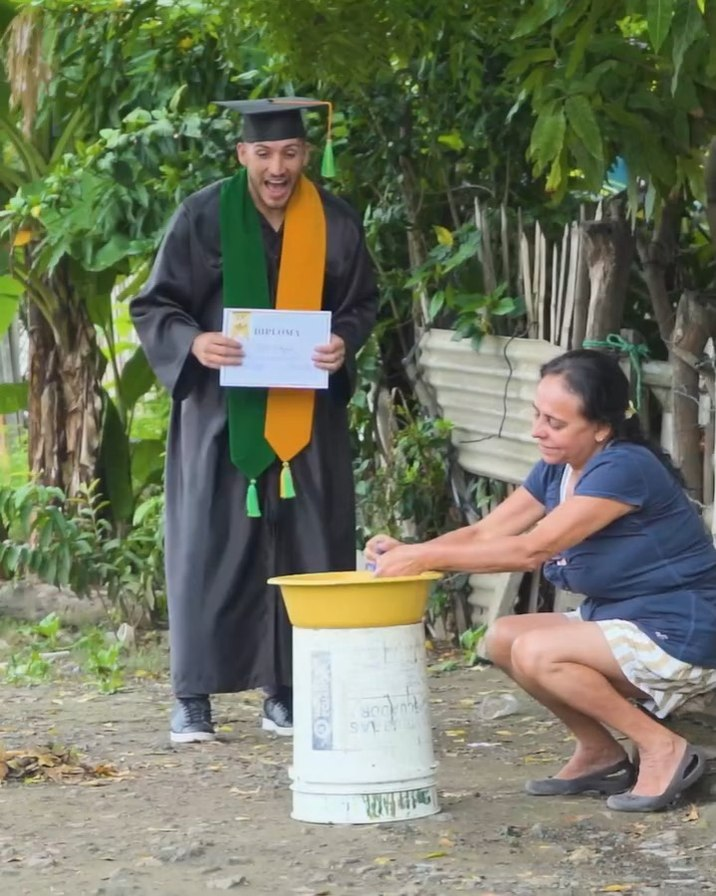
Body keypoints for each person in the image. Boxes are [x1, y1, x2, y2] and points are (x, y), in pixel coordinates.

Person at [366, 349, 716, 812]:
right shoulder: (560, 466)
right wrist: (409, 552)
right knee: (503, 636)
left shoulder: (624, 467)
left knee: (538, 651)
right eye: (537, 415)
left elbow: (531, 549)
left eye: (555, 421)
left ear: (601, 428)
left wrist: (424, 557)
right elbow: (487, 532)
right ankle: (599, 754)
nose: (537, 430)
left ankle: (663, 747)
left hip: (681, 626)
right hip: (626, 619)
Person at [131, 97, 378, 743]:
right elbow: (156, 303)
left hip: (306, 415)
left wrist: (344, 342)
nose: (278, 167)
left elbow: (360, 302)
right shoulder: (203, 216)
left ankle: (289, 691)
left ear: (304, 156)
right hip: (222, 413)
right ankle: (193, 697)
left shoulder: (335, 221)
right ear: (242, 154)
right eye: (264, 153)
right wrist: (192, 342)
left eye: (291, 153)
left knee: (307, 546)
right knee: (211, 547)